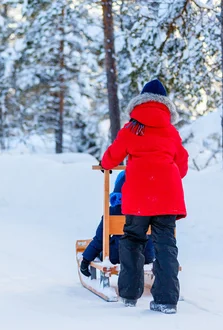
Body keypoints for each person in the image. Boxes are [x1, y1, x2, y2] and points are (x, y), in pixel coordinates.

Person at [100, 79, 188, 314]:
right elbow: (182, 165)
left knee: (132, 241)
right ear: (165, 105)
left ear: (140, 102)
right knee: (166, 245)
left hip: (138, 196)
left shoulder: (131, 129)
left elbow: (111, 158)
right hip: (168, 197)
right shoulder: (171, 131)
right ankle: (167, 300)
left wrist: (104, 164)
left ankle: (129, 295)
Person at [80, 171, 155, 277]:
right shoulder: (151, 211)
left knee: (105, 246)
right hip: (145, 257)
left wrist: (86, 259)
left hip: (117, 257)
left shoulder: (113, 211)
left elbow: (100, 238)